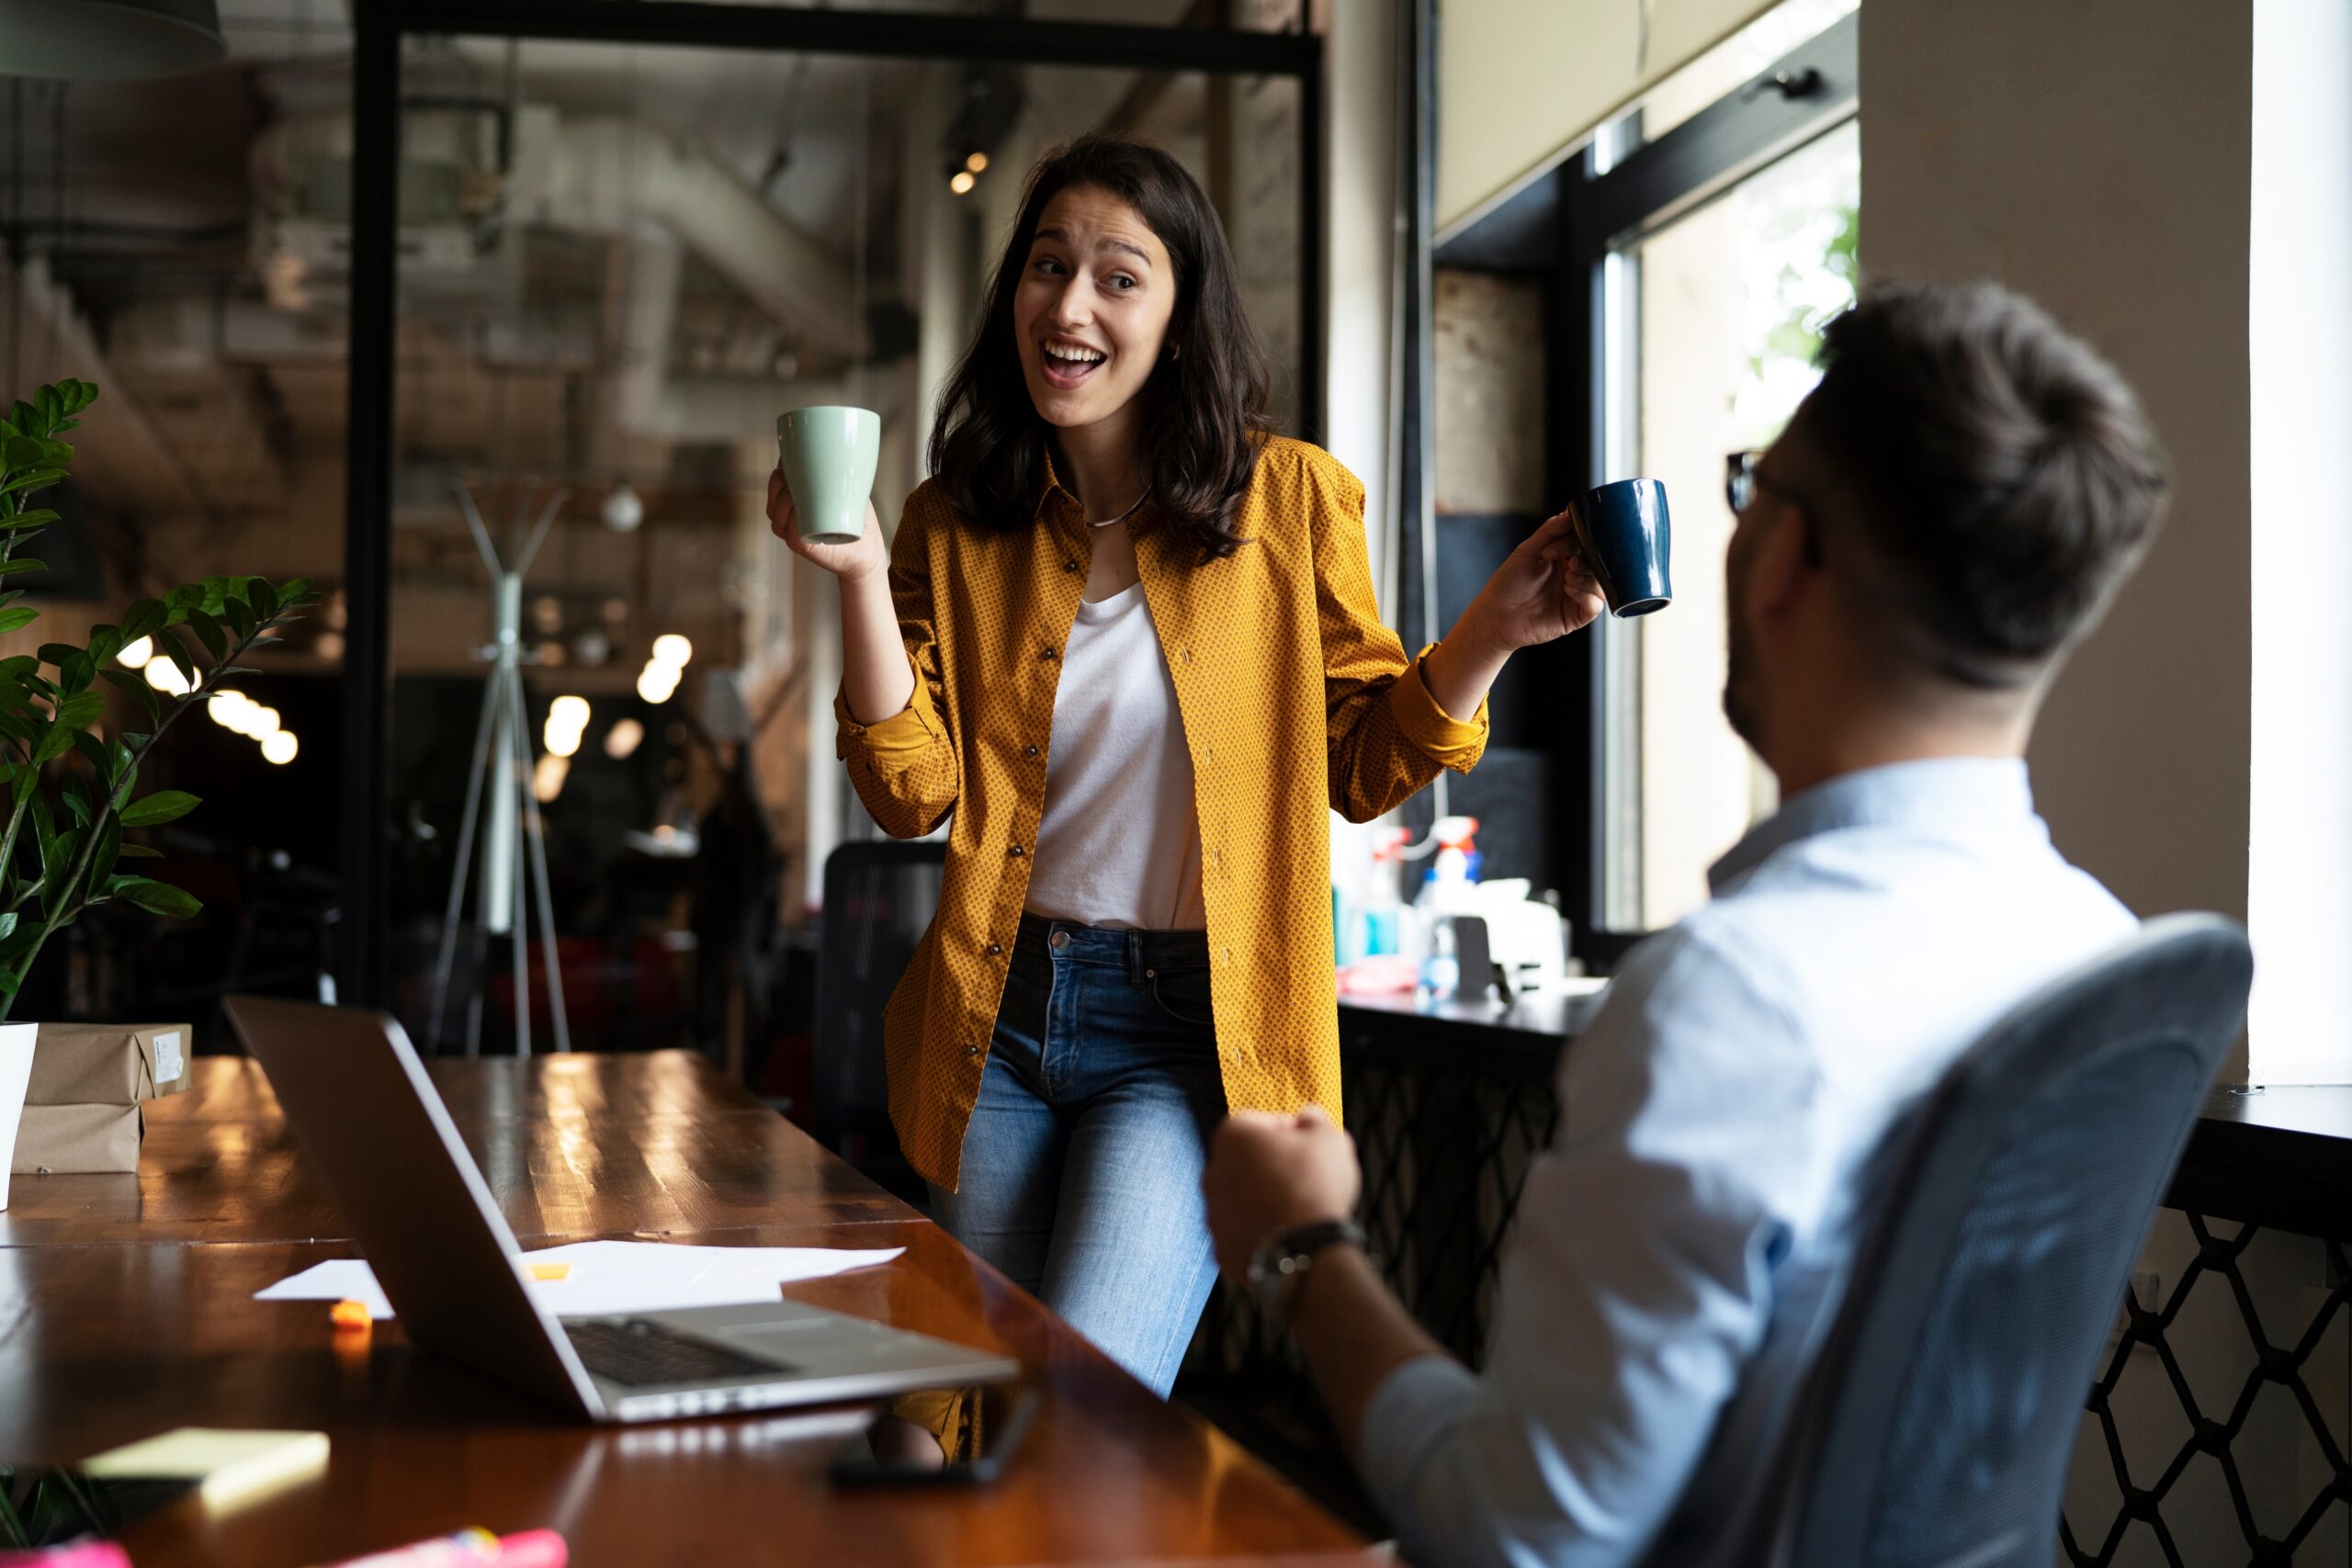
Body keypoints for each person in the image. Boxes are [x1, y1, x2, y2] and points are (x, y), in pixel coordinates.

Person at [1202, 279, 2172, 1567]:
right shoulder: (2098, 948)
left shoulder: (1736, 997)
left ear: (1783, 557)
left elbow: (1517, 1541)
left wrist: (1303, 1247)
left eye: (1750, 486)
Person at [769, 133, 1604, 1395]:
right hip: (994, 1016)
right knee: (971, 1402)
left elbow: (1367, 766)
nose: (1069, 303)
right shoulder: (956, 519)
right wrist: (851, 577)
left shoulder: (1291, 503)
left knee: (1089, 1403)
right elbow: (911, 790)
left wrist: (1493, 632)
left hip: (1187, 1033)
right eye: (1048, 267)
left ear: (1180, 312)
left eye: (1119, 275)